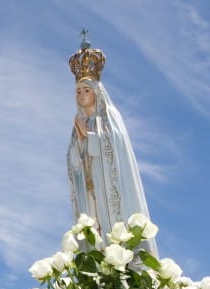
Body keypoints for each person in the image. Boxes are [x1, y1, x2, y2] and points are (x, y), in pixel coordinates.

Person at [67, 33, 158, 257]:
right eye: (78, 91)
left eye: (86, 90)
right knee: (92, 237)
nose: (81, 95)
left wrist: (89, 139)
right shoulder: (78, 123)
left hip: (110, 194)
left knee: (115, 238)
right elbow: (73, 163)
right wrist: (79, 146)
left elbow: (115, 148)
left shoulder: (109, 117)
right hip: (89, 194)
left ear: (96, 92)